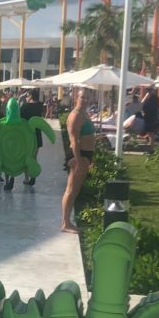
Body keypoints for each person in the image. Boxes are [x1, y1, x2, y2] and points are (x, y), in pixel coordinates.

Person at [61, 90, 96, 233]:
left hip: (84, 155)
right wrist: (78, 160)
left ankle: (67, 221)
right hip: (78, 155)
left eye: (88, 98)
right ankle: (65, 223)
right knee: (71, 189)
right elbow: (74, 140)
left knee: (75, 190)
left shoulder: (83, 113)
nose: (85, 100)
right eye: (83, 97)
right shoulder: (75, 115)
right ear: (77, 98)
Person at [20, 87, 44, 186]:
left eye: (27, 95)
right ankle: (33, 177)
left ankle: (26, 178)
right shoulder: (40, 106)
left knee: (26, 157)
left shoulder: (25, 107)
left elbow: (21, 120)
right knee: (34, 157)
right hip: (37, 135)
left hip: (27, 135)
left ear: (30, 96)